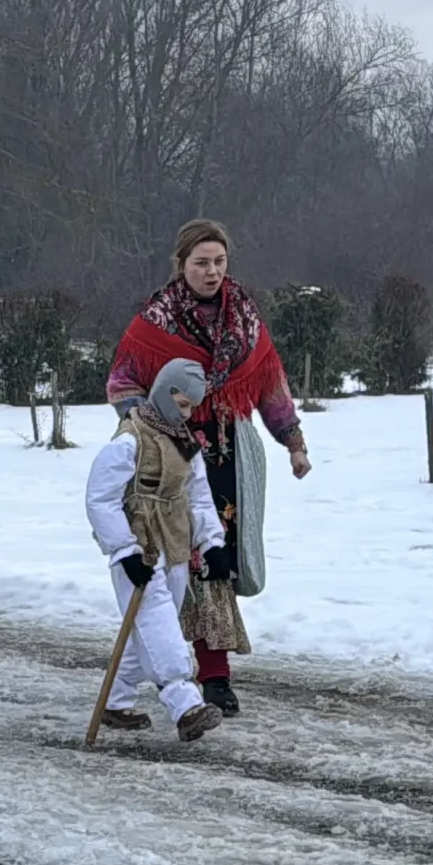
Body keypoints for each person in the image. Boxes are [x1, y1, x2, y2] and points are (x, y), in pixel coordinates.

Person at [104, 218, 311, 717]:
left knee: (215, 562)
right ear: (181, 265)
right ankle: (187, 675)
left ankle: (207, 674)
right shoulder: (154, 321)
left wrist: (293, 442)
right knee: (179, 564)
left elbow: (270, 382)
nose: (212, 272)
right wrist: (147, 428)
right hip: (172, 457)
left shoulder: (245, 319)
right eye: (201, 263)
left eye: (219, 262)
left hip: (227, 456)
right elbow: (121, 382)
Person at [86, 358, 226, 741]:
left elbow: (199, 496)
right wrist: (124, 549)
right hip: (139, 548)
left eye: (192, 407)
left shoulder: (186, 442)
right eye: (182, 404)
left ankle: (115, 701)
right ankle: (185, 704)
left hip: (176, 541)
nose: (188, 413)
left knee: (147, 626)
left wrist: (212, 542)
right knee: (157, 622)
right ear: (165, 393)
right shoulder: (129, 439)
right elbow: (100, 499)